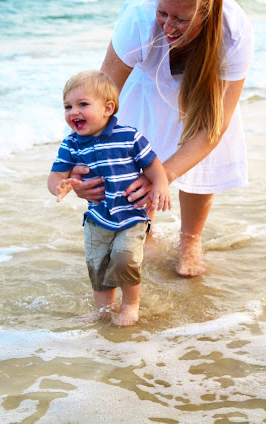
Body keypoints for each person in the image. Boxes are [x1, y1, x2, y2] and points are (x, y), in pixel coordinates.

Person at [70, 0, 254, 277]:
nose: (168, 27)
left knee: (201, 157)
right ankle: (144, 230)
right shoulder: (139, 19)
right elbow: (97, 104)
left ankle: (190, 241)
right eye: (163, 13)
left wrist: (162, 175)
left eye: (181, 19)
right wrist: (78, 165)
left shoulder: (233, 30)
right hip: (147, 83)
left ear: (206, 12)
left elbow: (213, 127)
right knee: (132, 151)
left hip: (205, 91)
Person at [48, 70, 171, 326]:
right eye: (68, 106)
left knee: (125, 258)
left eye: (82, 104)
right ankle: (104, 310)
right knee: (98, 265)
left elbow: (152, 164)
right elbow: (56, 176)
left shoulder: (130, 136)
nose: (73, 111)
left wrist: (160, 185)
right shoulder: (71, 144)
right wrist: (60, 186)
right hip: (97, 218)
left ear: (108, 108)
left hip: (131, 215)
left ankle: (130, 305)